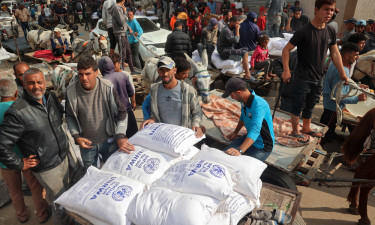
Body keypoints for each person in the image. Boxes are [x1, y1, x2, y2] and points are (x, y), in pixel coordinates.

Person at [0, 68, 70, 224]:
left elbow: (58, 117)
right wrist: (19, 164)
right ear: (23, 85)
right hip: (46, 167)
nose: (36, 86)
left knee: (65, 195)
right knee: (60, 202)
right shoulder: (18, 112)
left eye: (39, 82)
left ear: (45, 82)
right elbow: (2, 146)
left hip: (62, 157)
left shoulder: (50, 97)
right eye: (31, 83)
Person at [282, 0, 348, 143]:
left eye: (331, 10)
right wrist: (286, 70)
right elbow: (286, 50)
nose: (329, 13)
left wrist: (342, 73)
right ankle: (295, 131)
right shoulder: (304, 31)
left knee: (311, 103)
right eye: (326, 9)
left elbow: (335, 53)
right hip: (302, 76)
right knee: (298, 104)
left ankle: (306, 128)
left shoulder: (330, 30)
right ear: (316, 9)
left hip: (319, 76)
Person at [65, 56, 135, 168]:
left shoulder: (107, 88)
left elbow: (122, 113)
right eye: (81, 74)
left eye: (88, 74)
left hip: (108, 142)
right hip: (87, 145)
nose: (84, 78)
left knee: (112, 170)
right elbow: (69, 116)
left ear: (96, 72)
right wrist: (76, 136)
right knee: (91, 175)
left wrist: (120, 136)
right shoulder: (71, 91)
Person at [0, 78, 51, 224]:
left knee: (14, 190)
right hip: (28, 158)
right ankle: (42, 214)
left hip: (5, 162)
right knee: (35, 187)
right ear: (17, 92)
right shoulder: (22, 108)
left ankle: (22, 215)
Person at [141, 56, 204, 138]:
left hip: (182, 134)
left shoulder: (188, 90)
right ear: (158, 71)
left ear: (174, 70)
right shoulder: (154, 89)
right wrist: (152, 119)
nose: (165, 74)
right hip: (162, 134)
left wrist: (196, 124)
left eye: (168, 70)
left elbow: (197, 111)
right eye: (162, 70)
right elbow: (154, 111)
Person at [320, 43, 367, 141]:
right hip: (332, 107)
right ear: (347, 55)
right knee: (322, 133)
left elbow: (342, 85)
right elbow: (339, 96)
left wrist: (357, 86)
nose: (357, 58)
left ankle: (330, 135)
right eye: (355, 55)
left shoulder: (337, 64)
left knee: (327, 127)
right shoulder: (342, 71)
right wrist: (357, 98)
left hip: (330, 106)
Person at [222, 77, 274, 161]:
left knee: (241, 166)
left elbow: (255, 130)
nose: (231, 98)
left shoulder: (259, 105)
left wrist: (240, 150)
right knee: (225, 155)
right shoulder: (243, 101)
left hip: (262, 145)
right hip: (249, 137)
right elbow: (243, 116)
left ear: (239, 92)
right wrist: (235, 132)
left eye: (231, 95)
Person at [98, 56, 138, 138]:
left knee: (119, 141)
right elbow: (131, 92)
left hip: (113, 117)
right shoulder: (123, 76)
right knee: (134, 137)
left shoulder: (101, 82)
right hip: (127, 111)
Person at [217, 16, 258, 83]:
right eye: (237, 24)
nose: (238, 25)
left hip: (229, 49)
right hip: (224, 52)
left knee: (245, 49)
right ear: (232, 22)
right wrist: (238, 29)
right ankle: (247, 74)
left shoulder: (231, 28)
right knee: (244, 52)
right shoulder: (226, 30)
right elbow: (236, 40)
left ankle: (245, 66)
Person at [109, 0, 137, 74]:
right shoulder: (116, 8)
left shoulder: (119, 7)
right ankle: (121, 71)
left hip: (123, 33)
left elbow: (123, 22)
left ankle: (132, 70)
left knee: (129, 52)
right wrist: (125, 13)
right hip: (120, 33)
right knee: (122, 53)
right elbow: (121, 21)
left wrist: (128, 28)